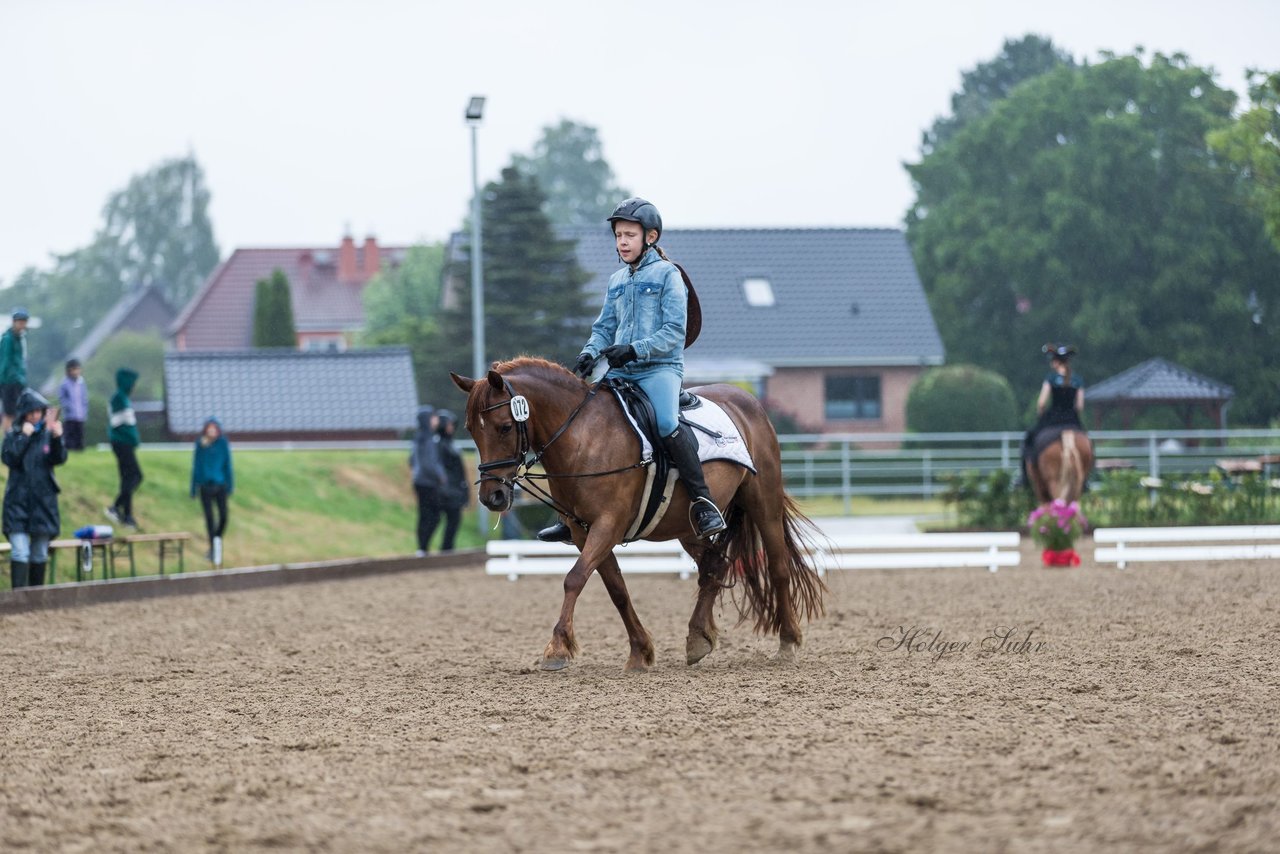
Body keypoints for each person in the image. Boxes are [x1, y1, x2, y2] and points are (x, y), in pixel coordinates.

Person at [539, 197, 726, 543]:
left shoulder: (669, 276)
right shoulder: (616, 281)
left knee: (668, 422)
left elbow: (673, 332)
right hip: (620, 372)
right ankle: (569, 515)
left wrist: (634, 349)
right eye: (618, 235)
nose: (622, 242)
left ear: (650, 237)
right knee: (584, 420)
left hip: (659, 369)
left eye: (629, 235)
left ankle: (703, 502)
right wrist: (589, 353)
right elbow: (604, 327)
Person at [3, 388, 67, 588]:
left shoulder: (48, 436)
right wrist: (23, 437)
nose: (35, 416)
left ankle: (35, 599)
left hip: (43, 503)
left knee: (39, 552)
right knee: (20, 551)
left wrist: (57, 439)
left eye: (38, 412)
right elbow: (9, 458)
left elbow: (59, 459)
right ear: (23, 414)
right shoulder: (13, 436)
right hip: (18, 503)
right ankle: (19, 598)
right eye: (31, 412)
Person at [1019, 344, 1086, 488]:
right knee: (1087, 443)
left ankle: (1024, 478)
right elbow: (1079, 406)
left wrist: (1041, 415)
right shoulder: (1077, 380)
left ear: (1056, 362)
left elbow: (1042, 403)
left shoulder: (1051, 378)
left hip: (1053, 419)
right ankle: (1086, 480)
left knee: (1029, 440)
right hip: (1072, 420)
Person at [190, 416, 233, 562]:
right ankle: (213, 548)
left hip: (220, 485)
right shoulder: (201, 444)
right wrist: (193, 487)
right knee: (209, 519)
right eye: (209, 429)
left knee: (224, 516)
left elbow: (228, 464)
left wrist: (230, 485)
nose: (212, 432)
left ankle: (216, 541)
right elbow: (196, 465)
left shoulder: (222, 443)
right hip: (205, 486)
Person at [105, 367, 143, 529]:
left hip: (125, 443)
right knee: (136, 475)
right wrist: (131, 438)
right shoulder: (119, 398)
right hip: (122, 444)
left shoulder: (123, 398)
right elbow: (119, 424)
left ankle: (127, 515)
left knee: (127, 478)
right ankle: (115, 506)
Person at [431, 409, 469, 552]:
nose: (451, 427)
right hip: (444, 492)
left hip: (455, 491)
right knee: (436, 521)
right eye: (448, 425)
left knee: (454, 522)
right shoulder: (437, 444)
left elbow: (460, 471)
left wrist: (464, 491)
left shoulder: (452, 444)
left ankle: (447, 548)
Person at [409, 404, 444, 556]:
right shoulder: (428, 438)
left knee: (425, 515)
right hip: (428, 482)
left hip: (419, 481)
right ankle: (423, 547)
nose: (436, 420)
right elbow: (430, 463)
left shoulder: (419, 438)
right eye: (434, 417)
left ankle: (422, 547)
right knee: (433, 515)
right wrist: (440, 476)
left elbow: (411, 460)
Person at [0, 308, 30, 435]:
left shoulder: (20, 338)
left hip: (18, 381)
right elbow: (5, 361)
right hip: (8, 381)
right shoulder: (8, 339)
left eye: (24, 322)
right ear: (14, 322)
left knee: (17, 412)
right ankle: (7, 440)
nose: (22, 324)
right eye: (20, 322)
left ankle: (13, 438)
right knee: (9, 412)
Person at [58, 358, 89, 451]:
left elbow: (84, 398)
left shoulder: (81, 382)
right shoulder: (65, 383)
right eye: (74, 369)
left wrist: (85, 410)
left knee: (80, 434)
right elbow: (62, 398)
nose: (76, 372)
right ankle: (69, 449)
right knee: (70, 435)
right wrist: (68, 407)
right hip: (70, 415)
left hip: (80, 414)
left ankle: (79, 449)